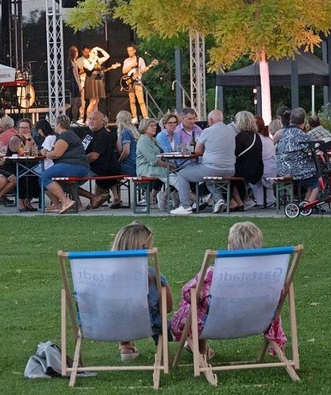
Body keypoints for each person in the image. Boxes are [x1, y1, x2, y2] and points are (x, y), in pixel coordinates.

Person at [170, 222, 287, 359]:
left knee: (195, 302)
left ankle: (201, 350)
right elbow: (279, 295)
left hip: (217, 323)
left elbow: (187, 293)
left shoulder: (215, 273)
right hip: (256, 320)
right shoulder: (270, 274)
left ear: (230, 247)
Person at [111, 222, 173, 361]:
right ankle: (162, 346)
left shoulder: (105, 277)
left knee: (122, 312)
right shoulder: (153, 276)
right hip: (150, 325)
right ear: (145, 249)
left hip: (111, 325)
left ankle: (125, 345)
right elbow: (167, 308)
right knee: (156, 315)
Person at [170, 109, 236, 215]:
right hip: (230, 169)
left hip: (212, 168)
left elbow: (197, 150)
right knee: (209, 180)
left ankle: (185, 206)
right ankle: (219, 200)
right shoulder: (231, 131)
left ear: (210, 120)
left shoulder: (207, 131)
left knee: (182, 174)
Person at [40, 115, 92, 214]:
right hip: (77, 165)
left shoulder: (65, 135)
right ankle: (57, 204)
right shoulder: (69, 135)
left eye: (55, 124)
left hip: (75, 165)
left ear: (59, 124)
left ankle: (65, 201)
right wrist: (49, 152)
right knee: (41, 179)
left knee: (45, 175)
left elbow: (56, 154)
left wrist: (46, 153)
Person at [80, 111, 122, 209]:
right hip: (98, 166)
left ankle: (86, 201)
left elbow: (94, 156)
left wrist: (79, 161)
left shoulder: (103, 135)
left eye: (93, 119)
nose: (90, 121)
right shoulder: (89, 133)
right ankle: (96, 199)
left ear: (102, 122)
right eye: (89, 118)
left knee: (69, 177)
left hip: (101, 167)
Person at [276, 107, 318, 204]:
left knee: (313, 181)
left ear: (291, 119)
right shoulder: (302, 135)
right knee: (319, 182)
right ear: (303, 121)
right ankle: (308, 205)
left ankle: (306, 202)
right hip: (295, 169)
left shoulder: (283, 132)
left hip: (282, 168)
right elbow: (311, 150)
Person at [136, 118, 179, 211]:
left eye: (155, 125)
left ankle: (187, 198)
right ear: (144, 128)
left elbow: (162, 154)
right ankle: (193, 199)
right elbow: (153, 160)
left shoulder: (153, 140)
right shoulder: (143, 141)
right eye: (151, 126)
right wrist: (169, 165)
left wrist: (170, 164)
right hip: (147, 168)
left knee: (179, 174)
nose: (154, 128)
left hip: (157, 166)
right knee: (175, 178)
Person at [4, 119, 40, 211]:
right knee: (23, 177)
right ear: (18, 129)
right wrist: (28, 140)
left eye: (26, 128)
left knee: (36, 176)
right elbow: (23, 153)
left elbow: (36, 151)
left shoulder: (30, 138)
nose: (24, 130)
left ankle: (27, 200)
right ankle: (20, 201)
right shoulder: (15, 139)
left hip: (26, 165)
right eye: (22, 128)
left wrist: (30, 140)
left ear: (30, 129)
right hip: (13, 166)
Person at [230, 111, 263, 211]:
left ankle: (237, 201)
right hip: (257, 169)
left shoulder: (241, 136)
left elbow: (234, 153)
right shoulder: (256, 136)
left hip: (245, 170)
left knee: (226, 173)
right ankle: (243, 201)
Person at [250, 116, 277, 207]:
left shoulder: (257, 139)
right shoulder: (268, 139)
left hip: (264, 170)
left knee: (250, 175)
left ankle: (260, 200)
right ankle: (269, 199)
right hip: (273, 169)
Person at [82, 46, 110, 118]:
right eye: (94, 52)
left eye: (96, 53)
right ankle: (88, 118)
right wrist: (94, 60)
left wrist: (100, 49)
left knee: (97, 101)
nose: (95, 54)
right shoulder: (86, 61)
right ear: (90, 53)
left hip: (97, 80)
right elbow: (90, 68)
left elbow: (107, 56)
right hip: (91, 81)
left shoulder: (98, 61)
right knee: (93, 101)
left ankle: (94, 118)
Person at [122, 44, 149, 119]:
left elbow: (144, 69)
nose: (129, 52)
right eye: (128, 51)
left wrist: (143, 71)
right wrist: (132, 65)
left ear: (134, 51)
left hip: (138, 82)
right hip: (130, 82)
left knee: (141, 100)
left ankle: (145, 116)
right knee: (132, 101)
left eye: (130, 50)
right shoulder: (126, 61)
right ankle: (134, 117)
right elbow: (124, 71)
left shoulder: (140, 59)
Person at [115, 110, 139, 177]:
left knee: (110, 170)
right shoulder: (134, 131)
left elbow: (126, 151)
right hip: (136, 163)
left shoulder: (125, 132)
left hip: (129, 165)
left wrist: (119, 161)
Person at [68, 46, 83, 123]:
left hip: (73, 83)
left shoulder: (72, 61)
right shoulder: (73, 62)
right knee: (75, 102)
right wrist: (79, 86)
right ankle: (74, 119)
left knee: (77, 102)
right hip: (74, 83)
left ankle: (74, 118)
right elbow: (75, 75)